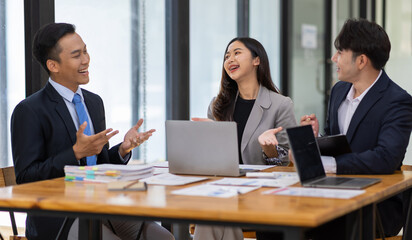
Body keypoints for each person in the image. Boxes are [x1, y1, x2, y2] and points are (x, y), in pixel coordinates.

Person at [10, 23, 174, 240]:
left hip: (104, 204)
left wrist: (123, 150)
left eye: (85, 51)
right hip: (60, 216)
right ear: (53, 65)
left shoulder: (94, 103)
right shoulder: (29, 110)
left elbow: (99, 165)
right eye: (76, 55)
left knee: (163, 238)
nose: (86, 60)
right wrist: (75, 153)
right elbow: (26, 178)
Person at [299, 18, 412, 238]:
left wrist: (330, 165)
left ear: (361, 61)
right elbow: (337, 143)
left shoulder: (398, 101)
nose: (334, 59)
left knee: (312, 225)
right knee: (275, 225)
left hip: (375, 202)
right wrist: (317, 138)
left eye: (340, 52)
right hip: (333, 191)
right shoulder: (339, 91)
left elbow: (386, 158)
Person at [193, 37, 297, 240]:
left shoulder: (280, 104)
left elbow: (289, 163)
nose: (230, 59)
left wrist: (270, 150)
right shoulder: (217, 105)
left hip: (262, 195)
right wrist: (207, 139)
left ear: (256, 60)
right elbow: (209, 162)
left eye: (237, 53)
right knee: (210, 218)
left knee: (214, 219)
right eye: (226, 56)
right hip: (224, 191)